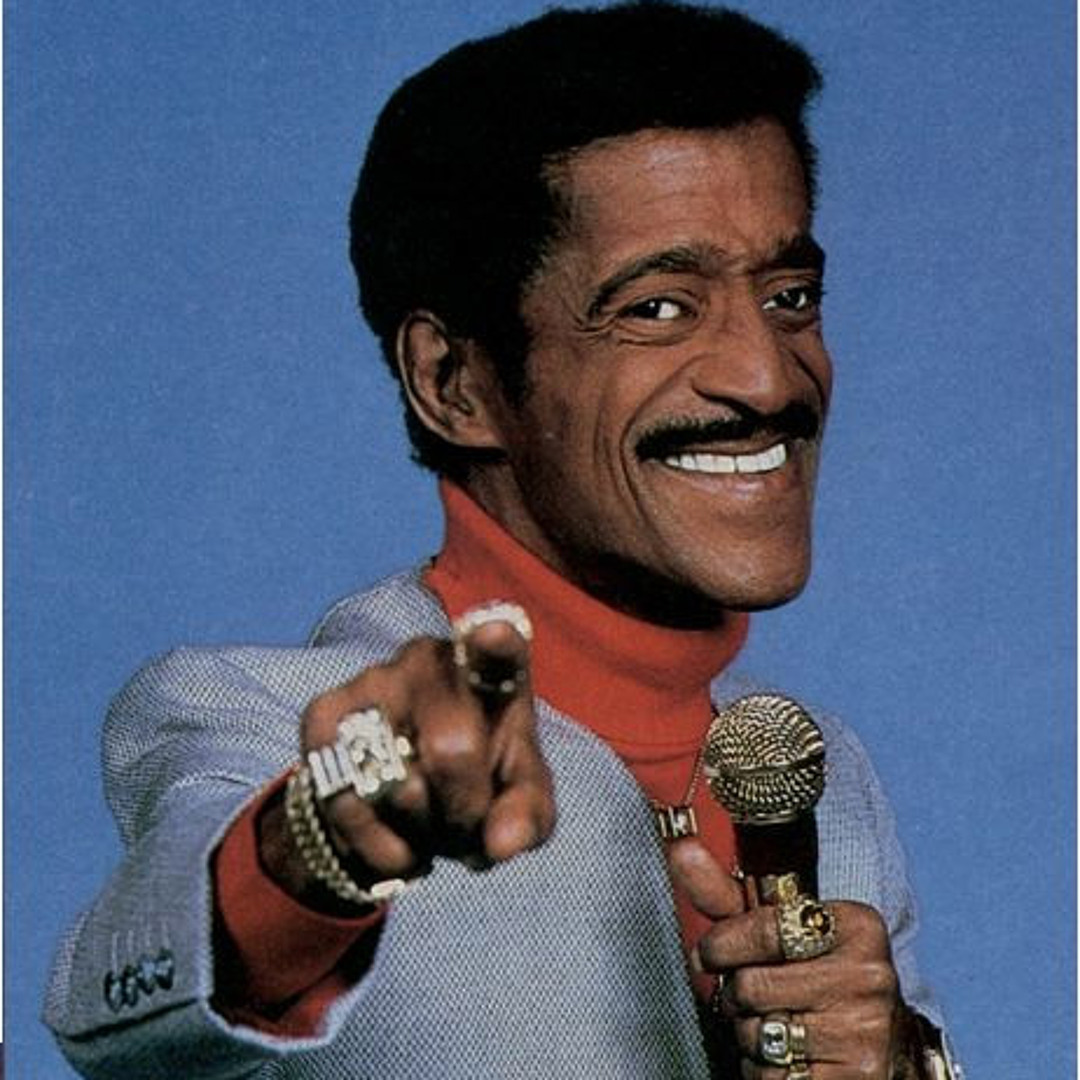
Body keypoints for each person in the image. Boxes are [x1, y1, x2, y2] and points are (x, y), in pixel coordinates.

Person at [44, 4, 961, 1077]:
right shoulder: (272, 724)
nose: (767, 378)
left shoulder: (823, 777)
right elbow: (116, 1001)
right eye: (658, 308)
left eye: (790, 295)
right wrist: (324, 840)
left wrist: (902, 1064)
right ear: (454, 382)